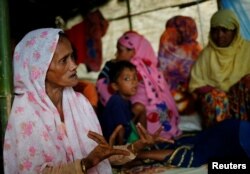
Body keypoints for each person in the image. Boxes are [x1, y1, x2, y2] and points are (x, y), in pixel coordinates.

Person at [3, 28, 170, 173]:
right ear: (39, 70)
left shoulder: (80, 103)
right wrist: (86, 164)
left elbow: (101, 155)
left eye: (72, 57)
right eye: (64, 60)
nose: (74, 65)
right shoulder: (24, 113)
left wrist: (136, 147)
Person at [97, 31, 181, 139]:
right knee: (144, 111)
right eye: (128, 79)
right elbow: (105, 87)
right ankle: (143, 139)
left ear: (133, 51)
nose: (116, 54)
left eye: (120, 50)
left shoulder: (148, 68)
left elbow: (160, 92)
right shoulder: (115, 66)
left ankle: (154, 137)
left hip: (153, 106)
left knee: (159, 111)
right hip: (133, 107)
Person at [189, 9, 250, 128]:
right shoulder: (207, 55)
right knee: (217, 98)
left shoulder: (247, 50)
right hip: (219, 102)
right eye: (215, 30)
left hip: (241, 99)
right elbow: (195, 84)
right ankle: (222, 137)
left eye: (224, 30)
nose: (219, 35)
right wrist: (216, 91)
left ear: (234, 31)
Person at [158, 15, 202, 116]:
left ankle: (167, 126)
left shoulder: (167, 42)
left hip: (174, 95)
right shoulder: (196, 49)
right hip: (187, 95)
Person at [99, 60, 140, 145]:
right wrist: (121, 151)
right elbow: (120, 129)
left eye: (135, 77)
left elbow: (128, 123)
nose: (134, 82)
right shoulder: (117, 101)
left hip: (124, 139)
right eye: (127, 79)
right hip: (113, 144)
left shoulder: (125, 100)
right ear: (115, 86)